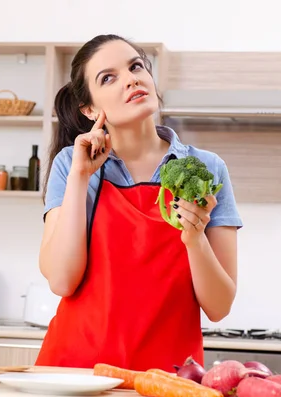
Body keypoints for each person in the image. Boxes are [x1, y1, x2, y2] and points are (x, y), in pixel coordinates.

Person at [34, 34, 243, 372]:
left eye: (136, 66)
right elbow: (61, 280)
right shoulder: (71, 164)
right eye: (109, 77)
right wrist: (80, 177)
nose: (131, 78)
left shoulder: (205, 169)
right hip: (76, 376)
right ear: (89, 109)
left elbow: (219, 306)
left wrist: (194, 238)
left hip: (168, 379)